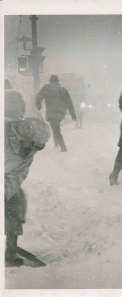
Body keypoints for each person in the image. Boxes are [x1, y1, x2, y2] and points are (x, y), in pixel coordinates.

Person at [5, 80, 50, 267]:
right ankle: (10, 250)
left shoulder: (14, 125)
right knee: (14, 207)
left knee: (15, 204)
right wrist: (33, 144)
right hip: (7, 179)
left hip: (9, 178)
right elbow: (36, 138)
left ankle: (10, 248)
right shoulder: (15, 126)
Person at [36, 75, 77, 152]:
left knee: (55, 128)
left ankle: (62, 146)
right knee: (55, 127)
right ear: (58, 81)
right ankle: (57, 143)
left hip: (51, 111)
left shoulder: (46, 88)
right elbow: (69, 102)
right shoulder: (63, 89)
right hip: (61, 112)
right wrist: (73, 115)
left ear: (50, 81)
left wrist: (39, 105)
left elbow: (39, 96)